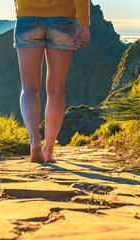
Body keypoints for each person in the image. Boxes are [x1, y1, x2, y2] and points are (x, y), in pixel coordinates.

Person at [13, 0, 91, 163]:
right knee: (56, 90)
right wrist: (84, 23)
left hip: (27, 17)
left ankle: (34, 141)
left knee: (29, 88)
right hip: (62, 19)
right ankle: (48, 150)